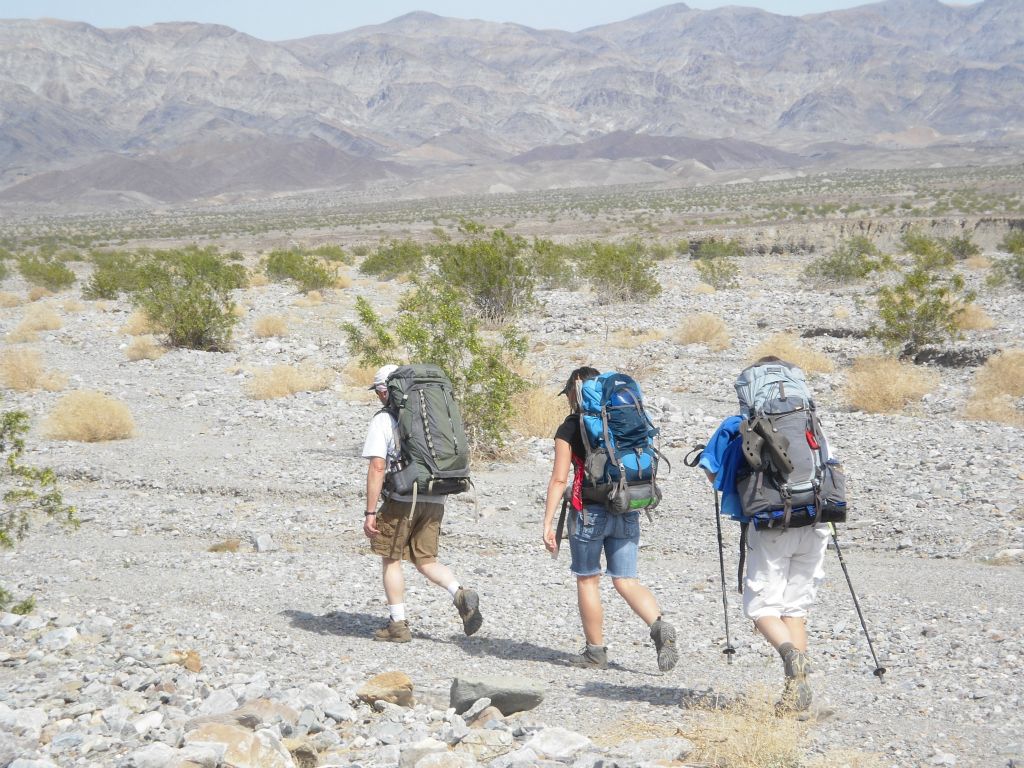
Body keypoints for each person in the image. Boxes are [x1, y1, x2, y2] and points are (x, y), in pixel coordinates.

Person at [698, 356, 830, 711]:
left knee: (761, 607)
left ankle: (791, 657)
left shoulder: (741, 424)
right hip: (816, 521)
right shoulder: (812, 422)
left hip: (771, 524)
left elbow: (713, 475)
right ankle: (795, 693)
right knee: (795, 608)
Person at [541, 366, 677, 671]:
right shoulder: (621, 421)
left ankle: (595, 652)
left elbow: (559, 479)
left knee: (588, 580)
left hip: (589, 511)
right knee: (626, 580)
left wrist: (548, 523)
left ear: (574, 392)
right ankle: (658, 626)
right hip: (627, 503)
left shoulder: (571, 426)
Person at [362, 364, 482, 642]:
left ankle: (398, 624)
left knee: (391, 558)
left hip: (403, 498)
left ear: (385, 391)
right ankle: (460, 594)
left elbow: (378, 467)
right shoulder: (431, 417)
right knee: (426, 559)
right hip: (436, 494)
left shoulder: (383, 420)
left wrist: (370, 512)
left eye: (379, 392)